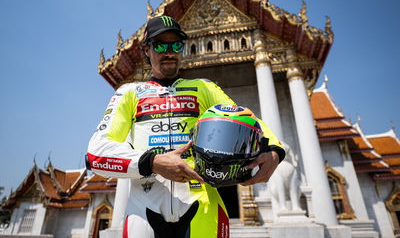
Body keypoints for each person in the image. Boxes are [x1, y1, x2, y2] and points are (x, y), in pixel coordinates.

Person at [87, 15, 285, 238]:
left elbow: (245, 118)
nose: (169, 51)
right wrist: (152, 162)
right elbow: (95, 155)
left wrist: (275, 150)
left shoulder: (203, 88)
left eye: (176, 45)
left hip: (201, 201)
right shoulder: (129, 93)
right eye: (160, 45)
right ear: (146, 50)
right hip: (144, 204)